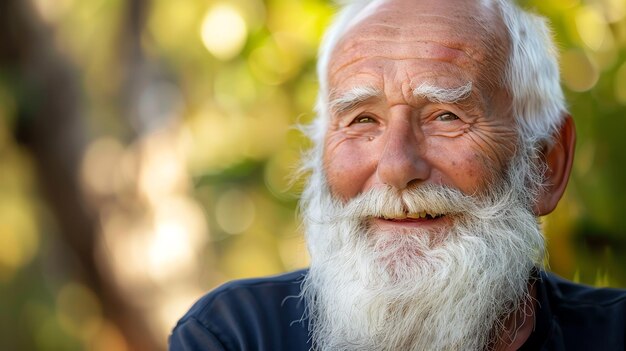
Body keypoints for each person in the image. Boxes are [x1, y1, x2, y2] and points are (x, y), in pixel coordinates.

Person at [169, 0, 626, 349]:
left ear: (546, 165)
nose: (396, 167)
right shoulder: (238, 336)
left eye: (446, 116)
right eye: (362, 120)